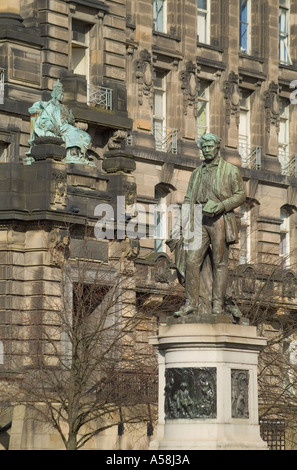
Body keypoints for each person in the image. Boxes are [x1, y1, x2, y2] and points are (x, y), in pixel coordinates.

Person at [166, 133, 246, 317]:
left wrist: (222, 205)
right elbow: (187, 199)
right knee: (191, 261)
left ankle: (217, 305)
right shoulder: (196, 173)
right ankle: (191, 303)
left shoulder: (230, 170)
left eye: (210, 146)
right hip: (198, 219)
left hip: (220, 219)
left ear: (217, 147)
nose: (207, 150)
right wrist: (179, 224)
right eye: (204, 147)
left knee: (220, 263)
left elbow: (240, 195)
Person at [29, 80, 92, 164]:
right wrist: (52, 127)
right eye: (60, 94)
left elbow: (71, 121)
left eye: (62, 94)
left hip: (67, 127)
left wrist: (70, 117)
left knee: (86, 136)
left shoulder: (64, 108)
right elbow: (44, 120)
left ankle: (81, 155)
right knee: (74, 132)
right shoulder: (50, 106)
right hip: (59, 127)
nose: (62, 96)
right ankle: (73, 154)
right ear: (55, 94)